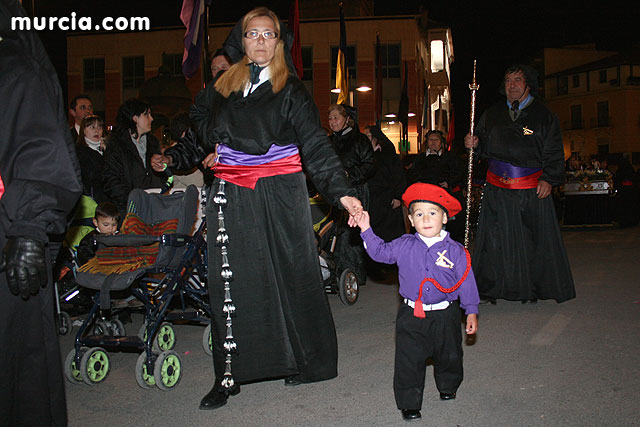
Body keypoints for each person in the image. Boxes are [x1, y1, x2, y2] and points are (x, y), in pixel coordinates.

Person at [189, 7, 363, 410]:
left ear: (278, 42)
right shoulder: (223, 85)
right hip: (231, 192)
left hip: (280, 190)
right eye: (253, 34)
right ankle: (229, 375)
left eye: (269, 34)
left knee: (294, 272)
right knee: (232, 283)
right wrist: (210, 145)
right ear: (242, 40)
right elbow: (197, 117)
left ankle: (311, 362)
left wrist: (343, 193)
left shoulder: (291, 89)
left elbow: (316, 147)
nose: (261, 41)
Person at [0, 1, 83, 424]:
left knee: (17, 367)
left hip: (9, 224)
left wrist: (30, 227)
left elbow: (38, 145)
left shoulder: (12, 64)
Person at [353, 183, 479, 422]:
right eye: (419, 213)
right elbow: (380, 253)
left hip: (446, 315)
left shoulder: (456, 251)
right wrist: (366, 228)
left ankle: (448, 386)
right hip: (412, 315)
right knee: (408, 361)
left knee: (449, 355)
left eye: (433, 212)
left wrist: (471, 311)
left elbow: (467, 282)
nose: (426, 218)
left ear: (444, 217)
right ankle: (409, 403)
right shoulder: (404, 244)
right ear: (410, 219)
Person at [464, 64, 575, 304]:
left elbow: (554, 151)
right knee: (495, 241)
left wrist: (549, 179)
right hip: (497, 189)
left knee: (530, 241)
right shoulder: (491, 114)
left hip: (530, 188)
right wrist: (473, 143)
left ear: (528, 85)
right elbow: (481, 146)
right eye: (508, 80)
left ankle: (532, 288)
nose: (512, 85)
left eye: (517, 80)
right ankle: (492, 288)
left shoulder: (544, 116)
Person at [328, 103, 375, 285]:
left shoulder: (359, 140)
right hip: (333, 193)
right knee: (334, 233)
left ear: (346, 120)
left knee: (351, 234)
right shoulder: (329, 141)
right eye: (330, 118)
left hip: (356, 191)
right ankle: (335, 273)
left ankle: (353, 274)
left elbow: (370, 165)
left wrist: (350, 174)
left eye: (336, 118)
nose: (332, 122)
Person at [103, 98, 166, 219]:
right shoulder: (117, 145)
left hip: (154, 208)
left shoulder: (153, 143)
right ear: (134, 118)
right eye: (146, 114)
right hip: (129, 212)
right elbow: (111, 179)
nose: (151, 118)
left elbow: (161, 173)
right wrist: (132, 201)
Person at [407, 130, 465, 242]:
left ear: (441, 142)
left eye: (436, 140)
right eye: (431, 140)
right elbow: (412, 174)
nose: (433, 142)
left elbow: (459, 172)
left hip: (445, 196)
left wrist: (449, 183)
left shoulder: (450, 157)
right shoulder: (420, 158)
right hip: (425, 198)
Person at [76, 114, 111, 203]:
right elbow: (94, 175)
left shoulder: (109, 148)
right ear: (83, 130)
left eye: (99, 127)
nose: (97, 131)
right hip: (93, 199)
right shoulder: (80, 151)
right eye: (92, 127)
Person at [76, 202, 120, 266]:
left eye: (114, 224)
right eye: (106, 225)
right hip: (96, 266)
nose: (110, 228)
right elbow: (83, 255)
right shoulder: (91, 238)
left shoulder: (119, 235)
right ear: (95, 222)